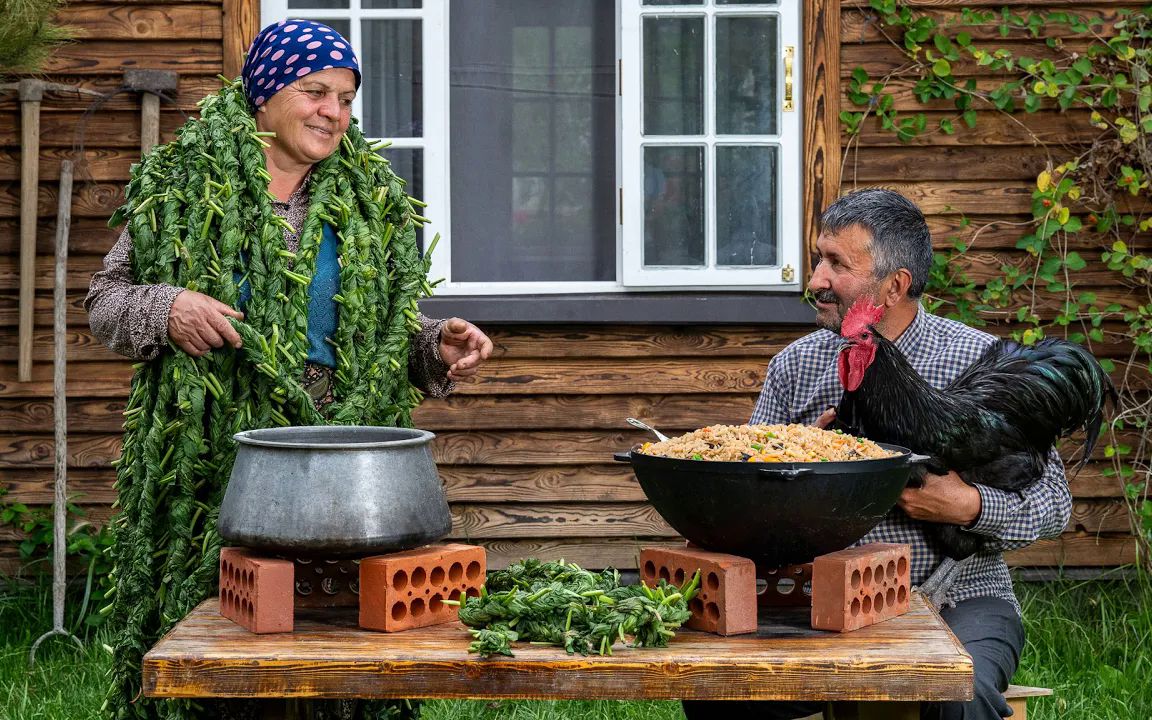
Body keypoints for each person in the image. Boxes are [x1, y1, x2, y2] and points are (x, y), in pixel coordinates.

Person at [86, 19, 492, 720]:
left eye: (345, 99)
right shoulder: (183, 190)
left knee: (339, 647)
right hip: (218, 462)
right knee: (230, 644)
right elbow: (104, 303)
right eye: (316, 91)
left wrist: (434, 347)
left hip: (343, 465)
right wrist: (168, 305)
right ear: (265, 95)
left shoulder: (367, 201)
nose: (333, 113)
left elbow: (376, 334)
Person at [682, 189, 1071, 720]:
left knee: (958, 692)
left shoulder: (982, 360)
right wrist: (790, 469)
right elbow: (743, 504)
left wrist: (969, 506)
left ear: (894, 285)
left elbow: (1055, 505)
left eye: (837, 264)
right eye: (819, 258)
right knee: (724, 695)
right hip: (811, 602)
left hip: (956, 594)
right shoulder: (795, 366)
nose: (816, 279)